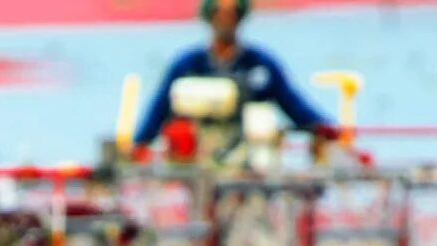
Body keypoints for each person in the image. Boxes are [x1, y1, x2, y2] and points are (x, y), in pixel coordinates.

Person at [133, 0, 332, 148]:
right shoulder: (188, 65)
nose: (225, 19)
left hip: (249, 159)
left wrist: (330, 132)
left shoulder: (260, 64)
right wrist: (138, 145)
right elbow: (158, 111)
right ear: (209, 16)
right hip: (198, 158)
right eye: (220, 12)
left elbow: (295, 106)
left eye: (231, 13)